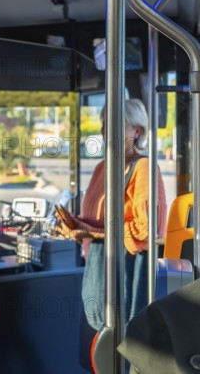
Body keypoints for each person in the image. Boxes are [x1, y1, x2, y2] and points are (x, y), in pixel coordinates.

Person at [54, 98, 167, 371]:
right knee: (91, 355)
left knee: (120, 356)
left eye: (116, 123)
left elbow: (146, 229)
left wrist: (91, 230)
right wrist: (77, 225)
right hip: (97, 270)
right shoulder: (102, 168)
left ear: (137, 131)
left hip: (128, 271)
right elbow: (102, 224)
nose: (106, 130)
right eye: (105, 123)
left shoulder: (144, 168)